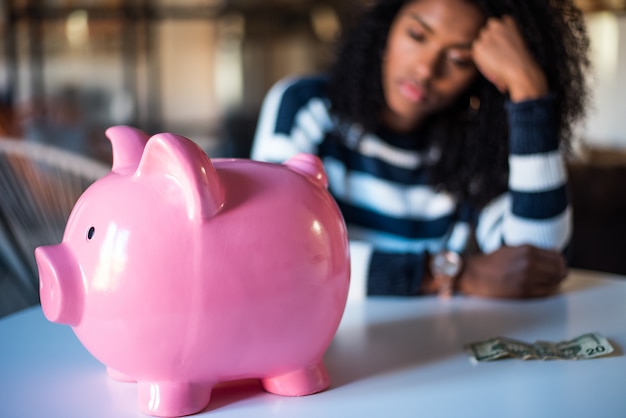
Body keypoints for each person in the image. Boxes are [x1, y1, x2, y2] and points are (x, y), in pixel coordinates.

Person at [251, 0, 590, 299]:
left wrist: (528, 93)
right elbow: (274, 254)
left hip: (436, 350)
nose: (427, 70)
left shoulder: (476, 145)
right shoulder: (306, 106)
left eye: (459, 58)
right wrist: (455, 274)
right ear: (386, 28)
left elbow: (535, 265)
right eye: (416, 36)